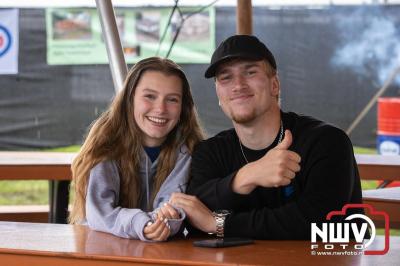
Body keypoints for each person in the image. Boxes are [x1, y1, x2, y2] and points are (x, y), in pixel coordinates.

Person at [169, 35, 364, 239]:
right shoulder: (210, 151)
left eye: (250, 72)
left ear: (274, 85)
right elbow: (194, 214)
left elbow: (320, 222)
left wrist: (218, 224)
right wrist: (246, 177)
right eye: (226, 77)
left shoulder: (326, 141)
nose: (238, 85)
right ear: (219, 94)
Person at [69, 57, 204, 242]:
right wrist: (142, 224)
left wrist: (162, 223)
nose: (160, 109)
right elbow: (100, 212)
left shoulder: (189, 150)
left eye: (172, 99)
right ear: (129, 98)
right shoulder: (106, 144)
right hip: (101, 248)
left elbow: (173, 206)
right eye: (149, 96)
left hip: (160, 254)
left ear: (183, 107)